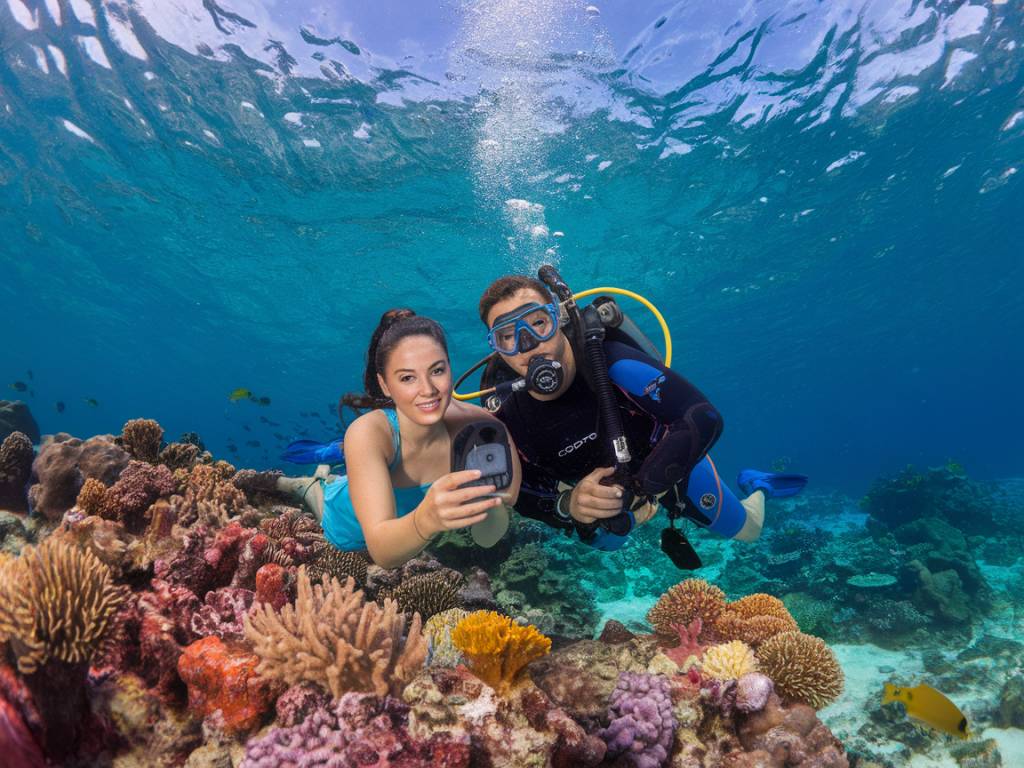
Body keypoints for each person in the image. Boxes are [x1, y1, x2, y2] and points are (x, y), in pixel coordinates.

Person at [477, 274, 799, 560]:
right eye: (508, 336)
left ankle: (758, 486)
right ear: (496, 349)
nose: (528, 345)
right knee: (606, 544)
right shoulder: (504, 413)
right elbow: (520, 493)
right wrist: (568, 504)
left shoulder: (608, 362)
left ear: (559, 320)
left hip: (666, 466)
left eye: (538, 323)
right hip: (603, 497)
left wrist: (642, 489)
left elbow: (702, 417)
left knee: (749, 530)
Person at [276, 309, 520, 569]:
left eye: (437, 370)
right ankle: (308, 482)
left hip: (404, 534)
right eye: (407, 378)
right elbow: (382, 554)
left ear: (450, 366)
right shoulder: (366, 432)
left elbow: (499, 513)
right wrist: (427, 519)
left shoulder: (485, 428)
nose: (428, 390)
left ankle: (336, 465)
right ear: (384, 385)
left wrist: (491, 502)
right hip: (342, 525)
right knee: (318, 495)